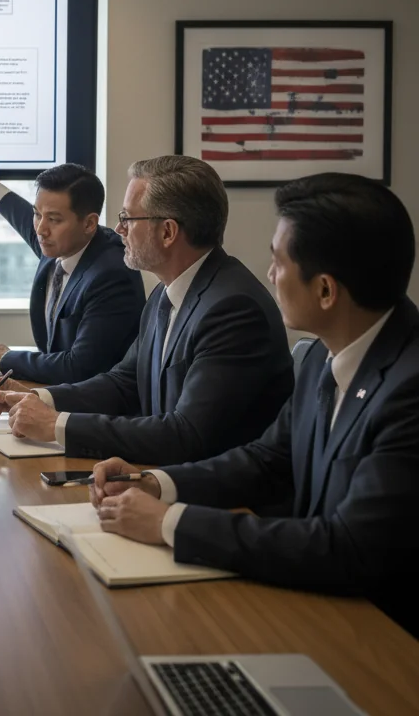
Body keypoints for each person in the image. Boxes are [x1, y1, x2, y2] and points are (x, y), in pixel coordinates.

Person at [90, 174, 419, 638]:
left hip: (381, 642)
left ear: (326, 291)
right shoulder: (327, 352)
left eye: (278, 262)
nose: (269, 275)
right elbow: (268, 460)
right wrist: (156, 484)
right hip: (313, 603)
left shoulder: (409, 390)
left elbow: (348, 548)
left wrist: (171, 523)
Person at [0, 155, 293, 464]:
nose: (118, 229)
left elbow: (186, 435)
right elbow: (124, 382)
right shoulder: (166, 291)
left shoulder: (233, 310)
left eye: (128, 219)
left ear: (168, 232)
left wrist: (56, 425)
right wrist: (39, 399)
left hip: (216, 497)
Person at [0, 157, 145, 384]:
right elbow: (21, 215)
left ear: (89, 224)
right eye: (37, 214)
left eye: (53, 219)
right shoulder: (59, 242)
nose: (41, 229)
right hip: (54, 393)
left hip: (94, 410)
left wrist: (7, 359)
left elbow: (80, 367)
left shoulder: (111, 274)